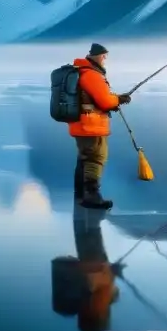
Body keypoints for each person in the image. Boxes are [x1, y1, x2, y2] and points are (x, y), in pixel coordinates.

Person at [68, 43, 131, 209]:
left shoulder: (82, 72)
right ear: (95, 56)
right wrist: (119, 100)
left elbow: (97, 98)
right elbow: (104, 100)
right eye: (103, 55)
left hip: (81, 124)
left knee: (84, 158)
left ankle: (81, 194)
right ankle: (92, 196)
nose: (105, 59)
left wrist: (116, 99)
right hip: (91, 126)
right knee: (95, 158)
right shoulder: (91, 75)